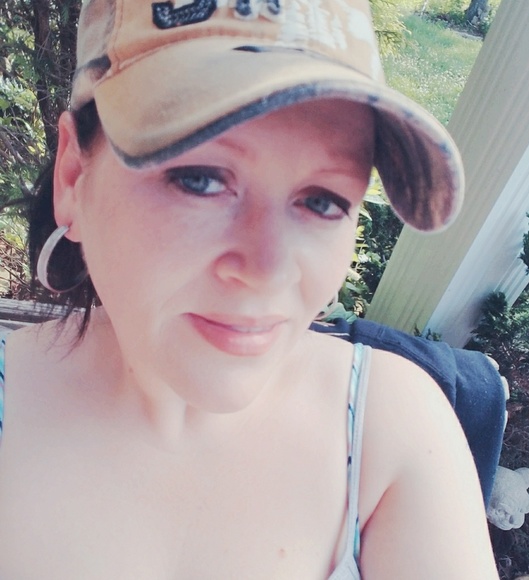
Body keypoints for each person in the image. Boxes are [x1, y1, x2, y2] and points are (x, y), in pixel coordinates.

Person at [0, 0, 499, 578]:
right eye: (200, 180)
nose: (268, 269)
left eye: (322, 201)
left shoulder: (393, 433)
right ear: (73, 177)